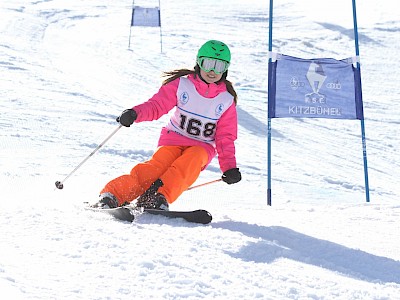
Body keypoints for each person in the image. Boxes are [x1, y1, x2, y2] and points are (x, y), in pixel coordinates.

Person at [93, 40, 241, 210]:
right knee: (154, 169)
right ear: (199, 62)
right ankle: (113, 195)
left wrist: (229, 167)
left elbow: (225, 138)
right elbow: (157, 106)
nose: (213, 71)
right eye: (208, 64)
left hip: (202, 147)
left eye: (219, 66)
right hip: (173, 140)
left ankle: (158, 198)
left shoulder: (226, 100)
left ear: (226, 69)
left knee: (189, 164)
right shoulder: (182, 85)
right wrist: (135, 113)